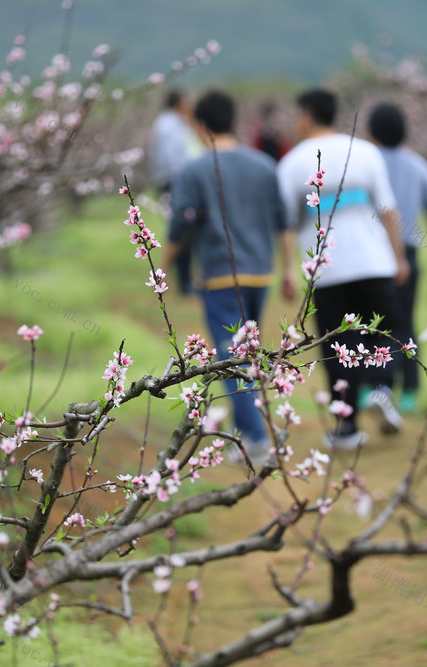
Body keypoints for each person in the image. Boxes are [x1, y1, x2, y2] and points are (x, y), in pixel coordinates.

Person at [163, 89, 295, 466]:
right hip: (261, 274)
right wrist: (288, 271)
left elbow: (178, 227)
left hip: (220, 277)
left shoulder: (194, 170)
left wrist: (164, 267)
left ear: (201, 125)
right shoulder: (265, 166)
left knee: (230, 357)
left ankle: (254, 439)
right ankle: (250, 431)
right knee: (247, 352)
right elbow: (283, 223)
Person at [277, 89, 409, 450]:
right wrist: (399, 257)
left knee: (337, 345)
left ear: (306, 116)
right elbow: (388, 209)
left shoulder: (291, 163)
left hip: (326, 269)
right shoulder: (365, 152)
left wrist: (289, 271)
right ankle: (381, 386)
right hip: (373, 263)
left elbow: (287, 224)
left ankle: (347, 427)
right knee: (390, 329)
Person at [368, 103, 427, 414]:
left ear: (372, 132)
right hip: (406, 252)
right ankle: (410, 391)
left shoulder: (367, 162)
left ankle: (376, 387)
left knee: (371, 321)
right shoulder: (418, 165)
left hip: (372, 254)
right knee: (404, 321)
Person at [149, 90, 203, 294]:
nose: (190, 104)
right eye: (187, 100)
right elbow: (174, 159)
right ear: (178, 103)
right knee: (182, 230)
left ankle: (185, 280)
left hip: (176, 181)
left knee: (183, 229)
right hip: (177, 182)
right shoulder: (170, 125)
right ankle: (184, 283)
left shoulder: (171, 123)